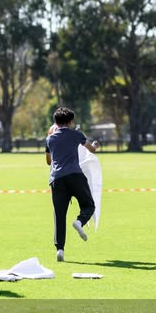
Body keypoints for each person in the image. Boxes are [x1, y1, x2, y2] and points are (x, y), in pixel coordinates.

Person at [46, 107, 99, 262]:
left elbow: (48, 161)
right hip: (75, 176)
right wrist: (95, 145)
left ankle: (60, 250)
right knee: (89, 205)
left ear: (55, 122)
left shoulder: (49, 139)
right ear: (70, 122)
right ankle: (79, 221)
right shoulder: (76, 134)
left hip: (57, 179)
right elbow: (91, 149)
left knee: (59, 216)